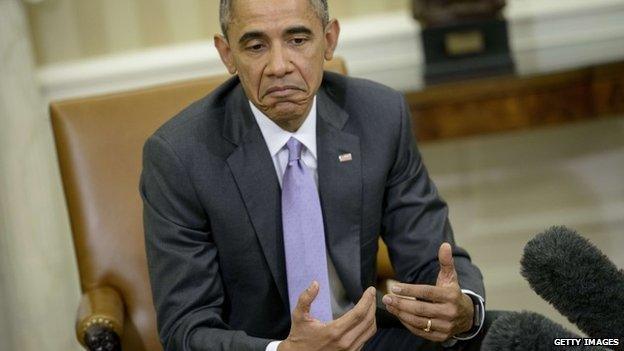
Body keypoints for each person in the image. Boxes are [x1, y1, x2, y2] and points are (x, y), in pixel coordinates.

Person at [140, 0, 487, 350]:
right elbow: (186, 328)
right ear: (227, 54)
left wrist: (461, 305)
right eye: (256, 45)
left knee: (510, 335)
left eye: (297, 40)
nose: (279, 66)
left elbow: (430, 258)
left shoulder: (380, 116)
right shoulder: (179, 156)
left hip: (366, 337)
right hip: (262, 347)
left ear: (329, 39)